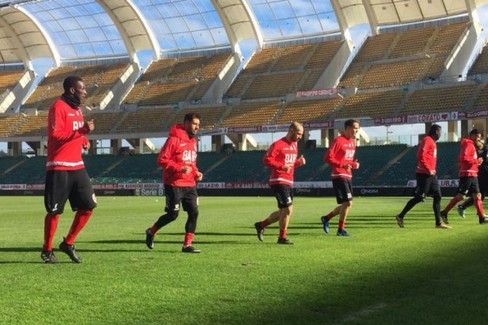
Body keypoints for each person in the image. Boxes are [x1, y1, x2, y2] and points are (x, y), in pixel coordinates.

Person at [41, 76, 97, 264]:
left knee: (88, 206)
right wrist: (82, 132)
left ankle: (68, 243)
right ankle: (47, 250)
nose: (85, 92)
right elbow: (55, 135)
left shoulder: (78, 109)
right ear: (72, 90)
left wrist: (83, 140)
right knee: (55, 211)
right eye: (83, 88)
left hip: (77, 166)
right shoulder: (57, 107)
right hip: (58, 166)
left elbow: (75, 132)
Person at [145, 113, 203, 253]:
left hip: (189, 184)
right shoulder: (174, 139)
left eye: (198, 125)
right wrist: (179, 168)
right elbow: (162, 160)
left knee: (194, 213)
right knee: (173, 215)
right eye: (195, 124)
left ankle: (187, 245)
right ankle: (151, 231)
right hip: (174, 183)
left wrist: (196, 173)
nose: (197, 127)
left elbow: (191, 162)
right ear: (186, 123)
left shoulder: (193, 141)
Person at [254, 122, 306, 245]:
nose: (300, 137)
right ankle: (282, 238)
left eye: (301, 135)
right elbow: (266, 159)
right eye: (298, 134)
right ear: (291, 131)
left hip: (289, 180)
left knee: (285, 211)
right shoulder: (278, 144)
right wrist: (282, 167)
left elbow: (290, 164)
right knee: (287, 209)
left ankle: (261, 225)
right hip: (278, 180)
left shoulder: (294, 145)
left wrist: (299, 162)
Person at [395, 124, 448, 228]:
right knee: (419, 197)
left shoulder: (432, 142)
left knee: (438, 196)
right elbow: (420, 155)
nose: (440, 134)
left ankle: (438, 223)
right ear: (436, 132)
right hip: (424, 174)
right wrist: (428, 169)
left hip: (431, 174)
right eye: (440, 132)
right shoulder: (427, 140)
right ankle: (400, 216)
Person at [320, 119, 360, 236]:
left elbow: (348, 160)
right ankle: (340, 229)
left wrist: (354, 164)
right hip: (339, 175)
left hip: (348, 175)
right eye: (354, 128)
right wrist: (342, 165)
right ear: (347, 128)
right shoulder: (338, 140)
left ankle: (326, 218)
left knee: (346, 204)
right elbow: (327, 158)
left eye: (358, 129)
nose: (356, 131)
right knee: (348, 203)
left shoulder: (353, 142)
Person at [440, 129, 488, 224]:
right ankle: (444, 212)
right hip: (467, 174)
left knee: (477, 195)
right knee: (461, 196)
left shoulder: (471, 145)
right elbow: (464, 158)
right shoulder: (468, 144)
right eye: (478, 137)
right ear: (473, 136)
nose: (479, 139)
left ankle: (481, 217)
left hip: (473, 173)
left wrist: (477, 162)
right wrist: (476, 161)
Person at [456, 138, 488, 218]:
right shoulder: (484, 149)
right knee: (479, 194)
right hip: (482, 174)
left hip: (482, 173)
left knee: (479, 195)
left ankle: (466, 207)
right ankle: (463, 206)